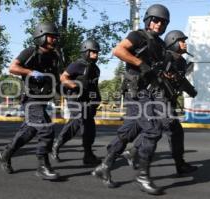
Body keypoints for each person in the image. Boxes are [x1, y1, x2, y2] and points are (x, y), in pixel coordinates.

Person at [92, 4, 174, 195]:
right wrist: (141, 64)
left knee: (130, 131)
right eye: (155, 20)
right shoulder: (137, 36)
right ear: (147, 20)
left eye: (163, 22)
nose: (159, 24)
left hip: (150, 92)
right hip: (136, 92)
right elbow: (119, 51)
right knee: (153, 130)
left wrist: (166, 76)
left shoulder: (161, 45)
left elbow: (158, 68)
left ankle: (104, 166)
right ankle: (142, 176)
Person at [121, 30, 198, 175]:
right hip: (159, 98)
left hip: (168, 99)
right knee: (165, 127)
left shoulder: (180, 61)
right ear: (173, 42)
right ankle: (138, 158)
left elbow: (180, 79)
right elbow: (157, 75)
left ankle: (133, 152)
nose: (185, 43)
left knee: (169, 129)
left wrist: (191, 91)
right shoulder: (167, 57)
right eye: (181, 40)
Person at [0, 22, 61, 180]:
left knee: (29, 131)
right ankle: (42, 166)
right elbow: (13, 68)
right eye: (51, 36)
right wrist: (31, 72)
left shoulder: (54, 56)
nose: (54, 40)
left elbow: (56, 77)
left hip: (43, 100)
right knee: (46, 129)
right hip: (31, 100)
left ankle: (5, 154)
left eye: (55, 37)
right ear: (41, 37)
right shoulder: (30, 52)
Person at [50, 39, 102, 165]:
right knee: (78, 120)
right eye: (93, 52)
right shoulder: (77, 64)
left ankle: (88, 155)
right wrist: (73, 85)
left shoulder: (96, 69)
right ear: (85, 51)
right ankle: (56, 145)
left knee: (89, 127)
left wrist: (97, 100)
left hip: (88, 101)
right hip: (75, 99)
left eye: (97, 52)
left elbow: (93, 86)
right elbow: (63, 78)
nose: (96, 55)